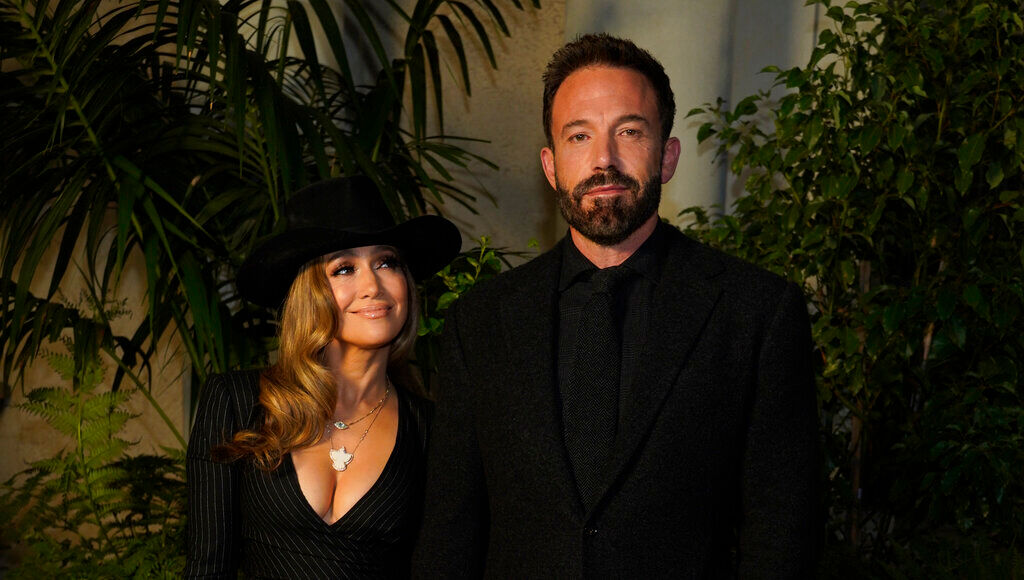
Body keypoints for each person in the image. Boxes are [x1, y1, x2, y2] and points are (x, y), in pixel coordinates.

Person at [413, 34, 819, 577]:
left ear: (667, 156)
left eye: (629, 131)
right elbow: (449, 533)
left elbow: (783, 537)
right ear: (551, 166)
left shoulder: (756, 313)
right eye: (579, 136)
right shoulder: (482, 320)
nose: (603, 159)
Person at [185, 176, 461, 578]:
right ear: (309, 293)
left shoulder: (432, 430)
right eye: (345, 268)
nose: (372, 286)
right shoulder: (236, 401)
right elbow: (207, 568)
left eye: (387, 263)